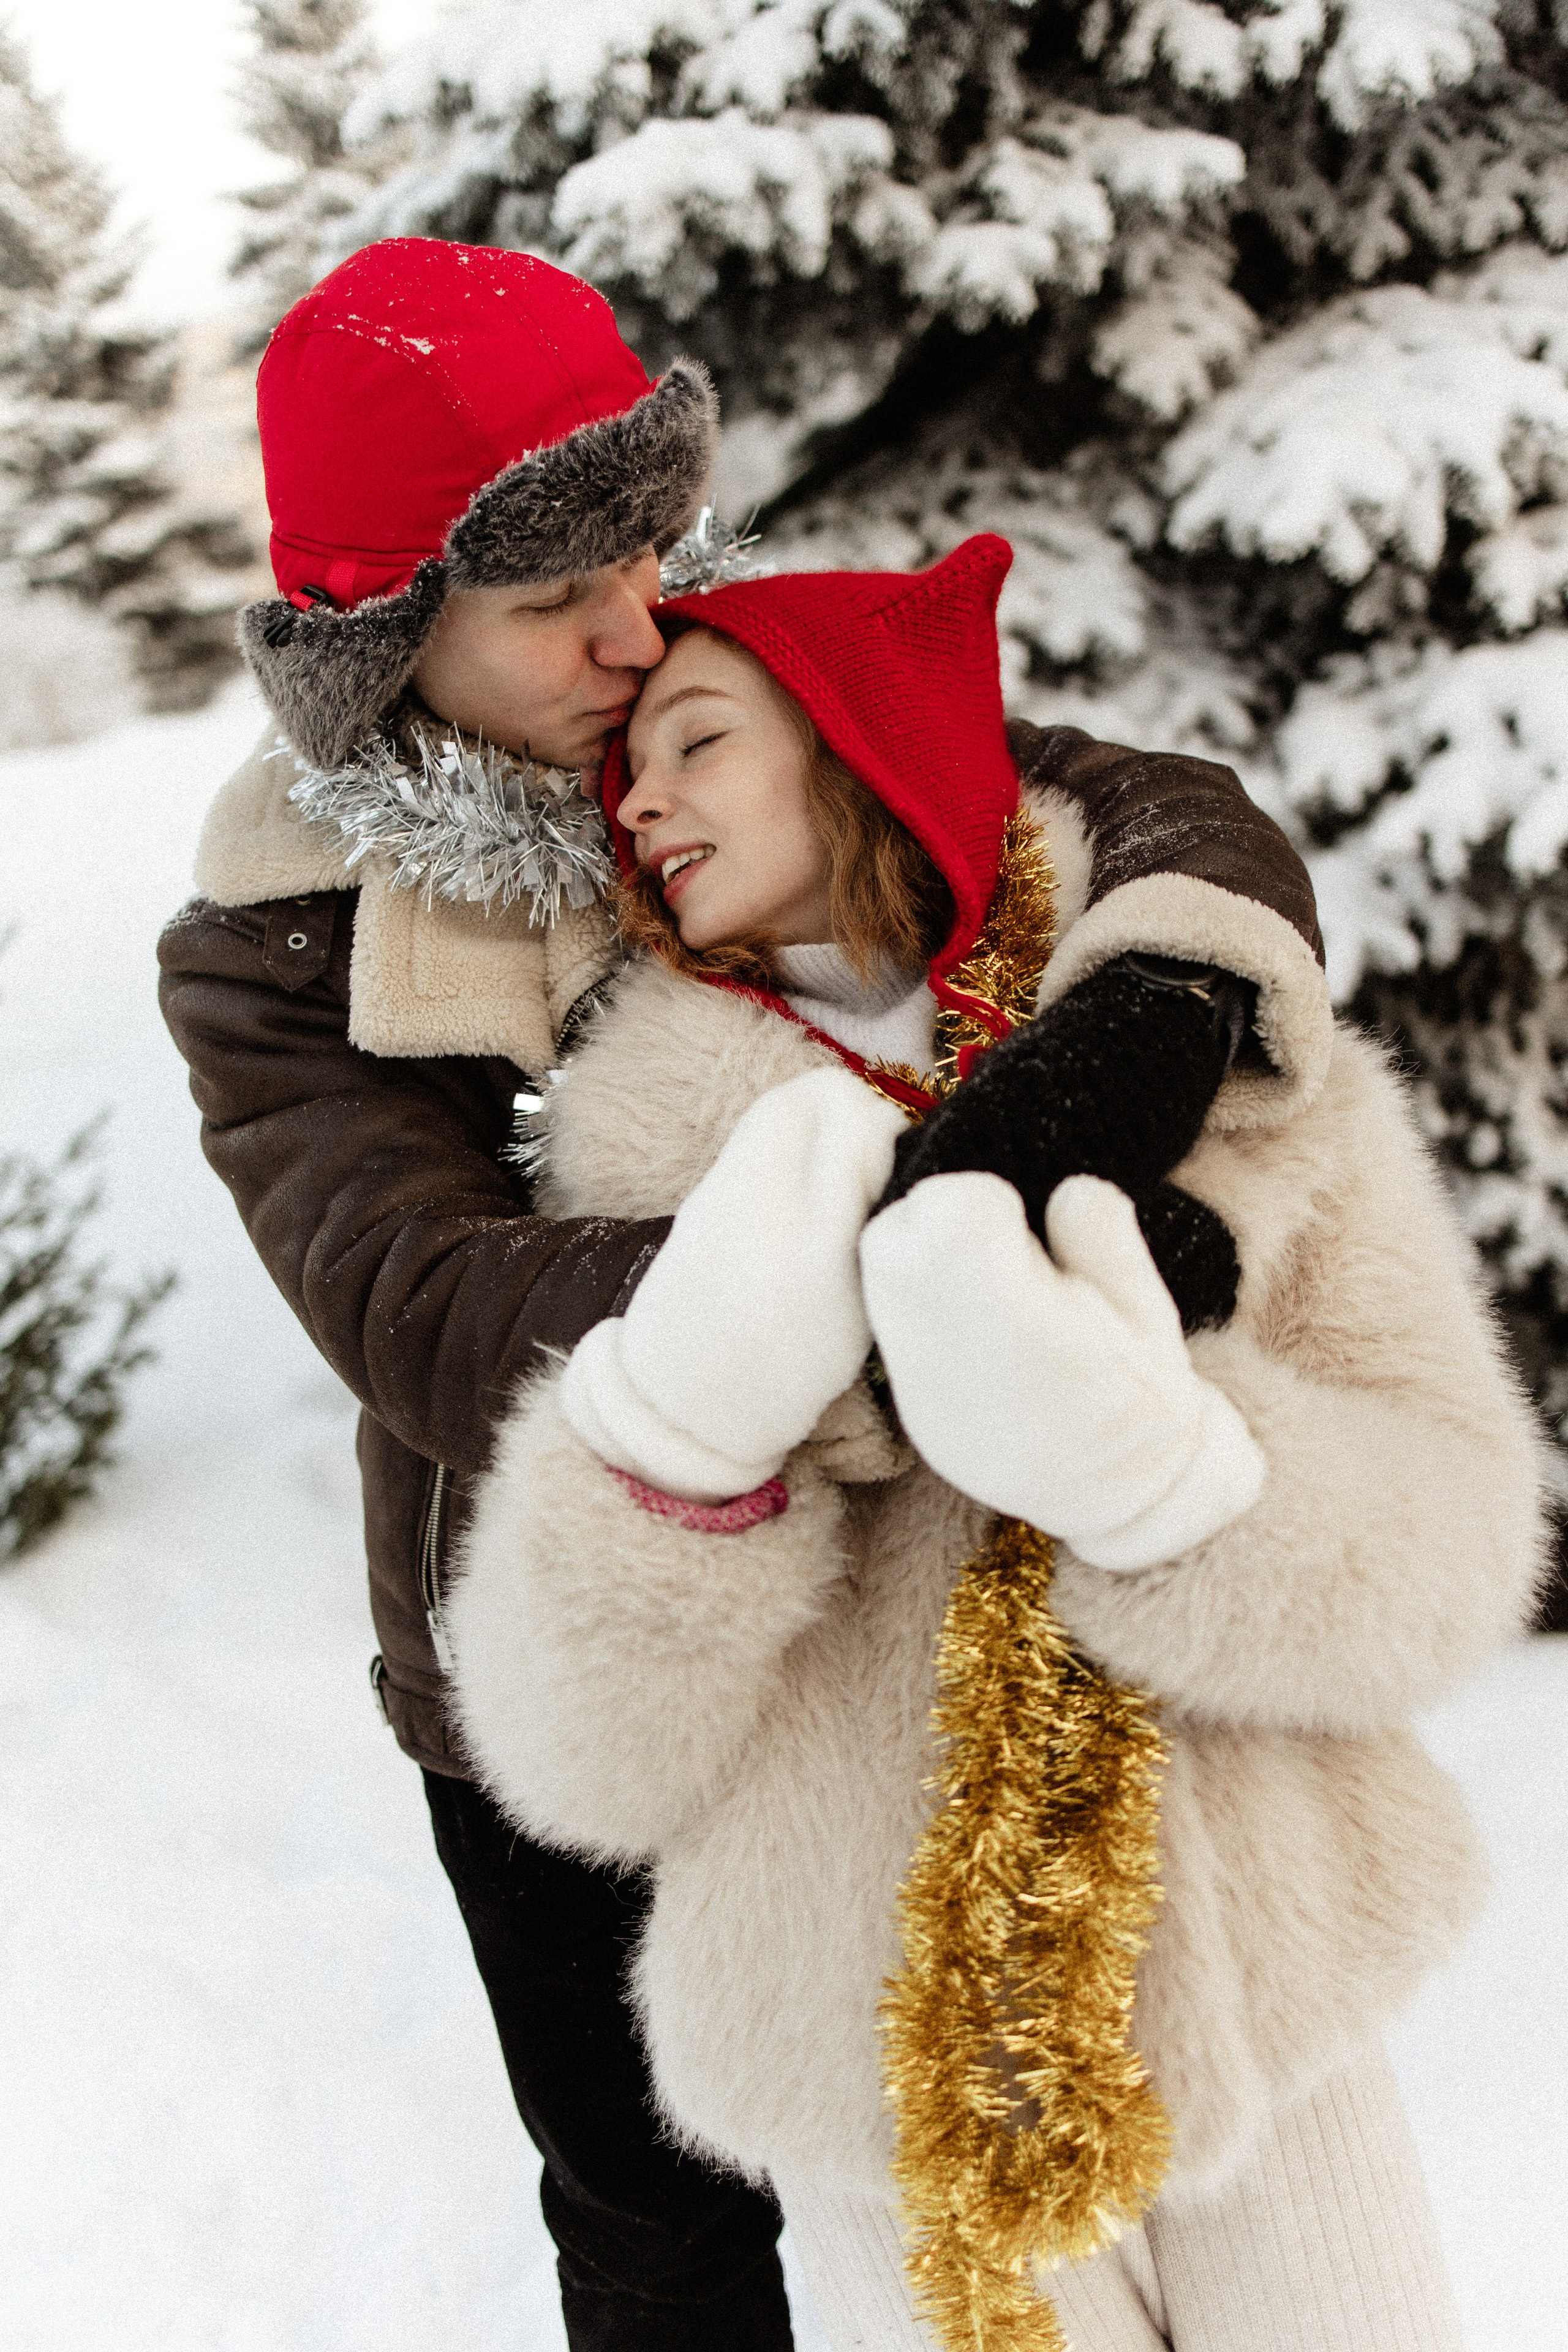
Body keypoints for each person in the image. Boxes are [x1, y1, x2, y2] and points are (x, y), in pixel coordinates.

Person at [159, 236, 1341, 2351]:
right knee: (659, 2227)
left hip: (899, 1608)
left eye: (650, 549)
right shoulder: (271, 945)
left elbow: (1159, 809)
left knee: (993, 2182)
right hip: (551, 1666)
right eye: (552, 600)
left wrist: (1148, 1006)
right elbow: (424, 1305)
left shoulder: (750, 694)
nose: (637, 631)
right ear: (386, 637)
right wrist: (927, 1269)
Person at [443, 535, 1544, 2351]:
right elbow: (579, 1766)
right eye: (628, 769)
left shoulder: (1238, 1083)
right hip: (880, 2072)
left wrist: (1167, 1481)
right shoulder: (647, 1194)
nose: (638, 800)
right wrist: (677, 1442)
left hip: (1268, 1998)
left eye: (698, 738)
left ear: (862, 739)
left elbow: (1459, 1548)